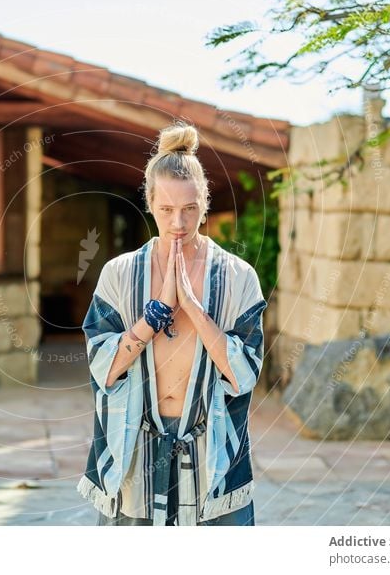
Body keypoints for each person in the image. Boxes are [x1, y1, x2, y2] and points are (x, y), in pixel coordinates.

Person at [78, 121, 268, 526]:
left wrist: (195, 308)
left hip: (214, 459)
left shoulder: (238, 277)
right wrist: (157, 313)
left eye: (189, 209)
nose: (178, 223)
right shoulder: (119, 273)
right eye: (166, 210)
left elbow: (245, 372)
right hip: (135, 460)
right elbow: (103, 367)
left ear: (205, 201)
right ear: (148, 202)